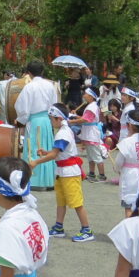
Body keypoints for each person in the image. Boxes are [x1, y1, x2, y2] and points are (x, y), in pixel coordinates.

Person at [31, 104, 93, 243]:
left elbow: (54, 155)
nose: (50, 122)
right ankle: (59, 227)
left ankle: (87, 230)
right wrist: (46, 152)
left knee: (77, 203)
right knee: (61, 201)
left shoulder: (63, 133)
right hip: (62, 172)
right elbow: (57, 153)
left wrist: (36, 162)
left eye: (51, 119)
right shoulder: (63, 131)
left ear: (58, 118)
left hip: (69, 173)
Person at [17, 60, 61, 190]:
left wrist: (22, 120)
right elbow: (54, 104)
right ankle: (48, 180)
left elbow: (22, 107)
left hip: (35, 120)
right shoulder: (50, 85)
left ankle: (34, 180)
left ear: (29, 73)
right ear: (42, 71)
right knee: (46, 146)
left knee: (34, 147)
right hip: (47, 120)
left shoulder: (29, 87)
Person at [70, 88, 106, 182]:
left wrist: (71, 121)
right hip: (89, 133)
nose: (84, 95)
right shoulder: (91, 106)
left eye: (85, 94)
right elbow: (84, 118)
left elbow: (85, 120)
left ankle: (102, 175)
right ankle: (92, 174)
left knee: (96, 156)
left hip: (91, 133)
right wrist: (75, 116)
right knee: (91, 156)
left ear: (91, 96)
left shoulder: (92, 107)